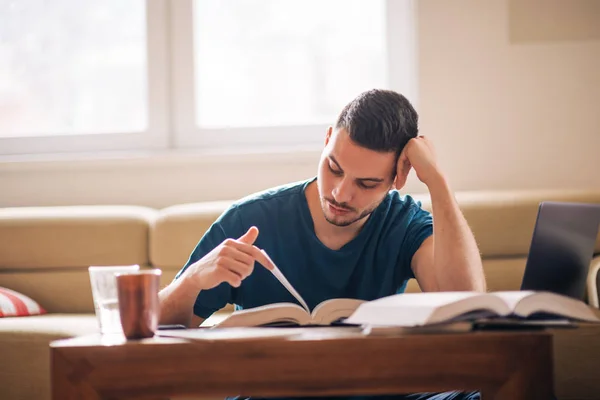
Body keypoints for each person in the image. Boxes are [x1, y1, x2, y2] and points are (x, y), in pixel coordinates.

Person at [159, 89, 486, 400]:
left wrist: (437, 182)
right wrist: (192, 280)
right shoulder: (250, 219)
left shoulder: (404, 223)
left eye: (367, 183)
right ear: (327, 139)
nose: (341, 194)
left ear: (399, 177)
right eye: (334, 168)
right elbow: (154, 328)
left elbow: (467, 308)